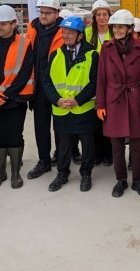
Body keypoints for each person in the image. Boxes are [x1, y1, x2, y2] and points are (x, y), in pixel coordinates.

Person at [96, 9, 140, 198]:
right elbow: (101, 79)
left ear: (129, 29)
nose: (117, 30)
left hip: (134, 99)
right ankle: (121, 180)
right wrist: (100, 105)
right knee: (116, 144)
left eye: (121, 27)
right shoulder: (106, 48)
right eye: (114, 27)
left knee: (136, 143)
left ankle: (137, 180)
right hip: (113, 100)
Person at [0, 5, 34, 190]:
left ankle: (15, 174)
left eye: (3, 24)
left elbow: (24, 73)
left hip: (15, 100)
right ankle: (0, 173)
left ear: (13, 23)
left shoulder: (24, 43)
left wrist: (7, 95)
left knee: (15, 136)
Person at [43, 16, 98, 192]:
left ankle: (86, 174)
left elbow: (94, 83)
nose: (65, 36)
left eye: (70, 33)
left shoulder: (92, 55)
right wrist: (57, 100)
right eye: (64, 32)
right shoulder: (56, 55)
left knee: (87, 144)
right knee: (63, 145)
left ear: (80, 35)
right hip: (61, 109)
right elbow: (47, 81)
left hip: (83, 109)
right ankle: (62, 174)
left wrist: (77, 100)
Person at [25, 0, 64, 179]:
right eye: (41, 12)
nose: (43, 16)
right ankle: (44, 161)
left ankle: (61, 157)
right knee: (41, 126)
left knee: (60, 126)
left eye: (48, 13)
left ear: (57, 13)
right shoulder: (32, 29)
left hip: (58, 87)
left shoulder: (65, 30)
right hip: (38, 87)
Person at [85, 0, 113, 167]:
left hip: (110, 82)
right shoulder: (87, 34)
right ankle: (97, 154)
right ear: (94, 17)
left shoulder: (115, 31)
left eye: (105, 14)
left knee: (108, 119)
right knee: (93, 121)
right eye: (99, 15)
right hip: (92, 81)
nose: (102, 18)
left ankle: (109, 154)